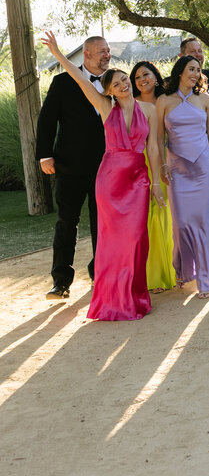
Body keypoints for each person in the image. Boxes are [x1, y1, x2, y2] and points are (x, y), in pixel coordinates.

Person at [40, 33, 164, 321]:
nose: (122, 85)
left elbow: (154, 148)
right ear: (109, 92)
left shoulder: (149, 109)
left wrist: (157, 182)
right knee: (106, 237)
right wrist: (58, 54)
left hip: (138, 179)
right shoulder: (107, 108)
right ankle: (103, 295)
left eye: (124, 80)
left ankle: (132, 294)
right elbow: (80, 81)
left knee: (136, 237)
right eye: (116, 84)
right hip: (109, 179)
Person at [35, 34, 109, 299]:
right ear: (86, 54)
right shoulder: (62, 82)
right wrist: (44, 155)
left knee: (103, 223)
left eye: (108, 51)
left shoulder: (115, 81)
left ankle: (100, 274)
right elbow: (47, 120)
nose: (107, 55)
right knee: (66, 222)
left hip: (106, 167)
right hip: (69, 166)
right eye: (101, 51)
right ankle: (61, 281)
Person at [158, 55, 209, 298]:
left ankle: (205, 280)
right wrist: (162, 165)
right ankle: (184, 270)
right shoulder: (164, 101)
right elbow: (158, 138)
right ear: (180, 71)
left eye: (198, 70)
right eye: (191, 69)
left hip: (203, 167)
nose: (195, 74)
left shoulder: (206, 99)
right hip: (176, 169)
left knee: (203, 223)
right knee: (180, 224)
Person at [131, 61, 176, 292]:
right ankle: (154, 275)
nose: (142, 80)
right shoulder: (131, 104)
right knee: (148, 215)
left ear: (156, 77)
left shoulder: (167, 99)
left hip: (170, 161)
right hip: (141, 164)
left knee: (167, 214)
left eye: (146, 74)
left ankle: (175, 269)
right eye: (137, 77)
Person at [180, 37, 209, 240]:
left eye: (200, 51)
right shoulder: (169, 85)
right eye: (193, 52)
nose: (198, 55)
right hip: (181, 154)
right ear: (181, 56)